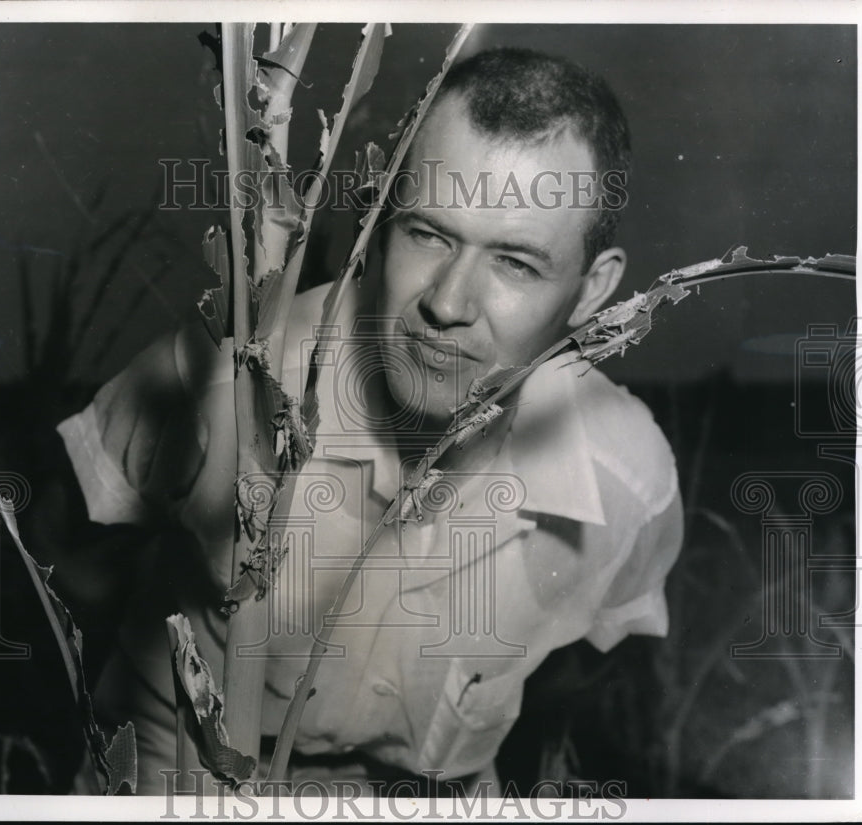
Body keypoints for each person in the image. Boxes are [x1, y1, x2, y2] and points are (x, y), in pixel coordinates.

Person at [57, 47, 683, 795]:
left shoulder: (626, 478)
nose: (447, 302)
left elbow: (592, 662)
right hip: (182, 778)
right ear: (381, 222)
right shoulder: (214, 380)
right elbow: (71, 562)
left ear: (592, 292)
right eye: (428, 233)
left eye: (515, 263)